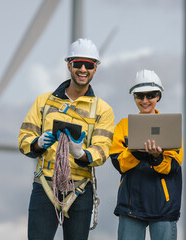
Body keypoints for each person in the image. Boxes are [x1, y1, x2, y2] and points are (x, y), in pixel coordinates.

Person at [18, 38, 115, 240]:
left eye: (88, 65)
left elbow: (102, 148)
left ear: (95, 68)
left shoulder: (102, 110)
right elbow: (24, 138)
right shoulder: (44, 102)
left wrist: (81, 154)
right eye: (77, 64)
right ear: (69, 65)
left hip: (79, 188)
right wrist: (37, 143)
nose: (82, 69)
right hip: (45, 184)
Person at [109, 69, 184, 240]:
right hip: (131, 206)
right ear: (134, 97)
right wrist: (136, 153)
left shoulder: (170, 127)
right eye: (139, 96)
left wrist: (157, 158)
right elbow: (118, 163)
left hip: (163, 206)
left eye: (150, 95)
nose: (145, 100)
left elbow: (173, 166)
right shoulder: (123, 126)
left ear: (158, 96)